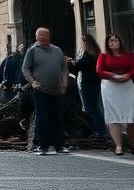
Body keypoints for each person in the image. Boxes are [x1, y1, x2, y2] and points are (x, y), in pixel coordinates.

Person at [21, 27, 68, 156]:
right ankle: (42, 146)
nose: (41, 40)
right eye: (39, 38)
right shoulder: (32, 51)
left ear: (48, 37)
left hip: (57, 90)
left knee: (58, 118)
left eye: (44, 38)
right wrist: (32, 82)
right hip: (40, 90)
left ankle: (59, 146)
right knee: (42, 118)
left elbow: (64, 67)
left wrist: (64, 82)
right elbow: (25, 69)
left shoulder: (57, 50)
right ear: (36, 37)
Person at [95, 32, 134, 155]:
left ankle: (132, 144)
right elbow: (99, 71)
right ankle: (118, 146)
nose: (114, 43)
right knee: (113, 115)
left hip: (126, 86)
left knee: (131, 115)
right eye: (111, 41)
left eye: (116, 40)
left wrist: (127, 75)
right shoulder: (103, 55)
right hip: (110, 87)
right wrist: (113, 75)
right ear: (107, 44)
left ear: (120, 42)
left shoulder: (128, 55)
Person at [70, 33, 106, 139]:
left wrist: (73, 63)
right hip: (93, 83)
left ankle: (99, 131)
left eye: (83, 42)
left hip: (88, 83)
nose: (82, 44)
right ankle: (99, 130)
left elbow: (80, 65)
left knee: (91, 108)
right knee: (94, 107)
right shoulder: (95, 53)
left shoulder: (89, 55)